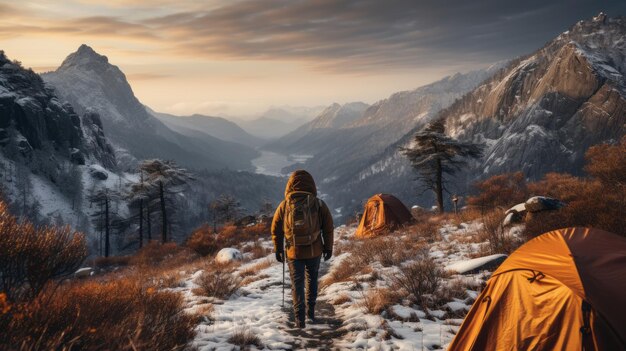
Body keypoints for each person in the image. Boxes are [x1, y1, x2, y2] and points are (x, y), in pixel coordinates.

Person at [272, 170, 334, 329]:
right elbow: (328, 228)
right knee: (312, 280)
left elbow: (276, 229)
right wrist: (328, 248)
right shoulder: (318, 204)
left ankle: (300, 320)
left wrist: (278, 249)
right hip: (314, 251)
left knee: (297, 284)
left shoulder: (285, 204)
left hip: (294, 252)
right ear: (312, 185)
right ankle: (311, 313)